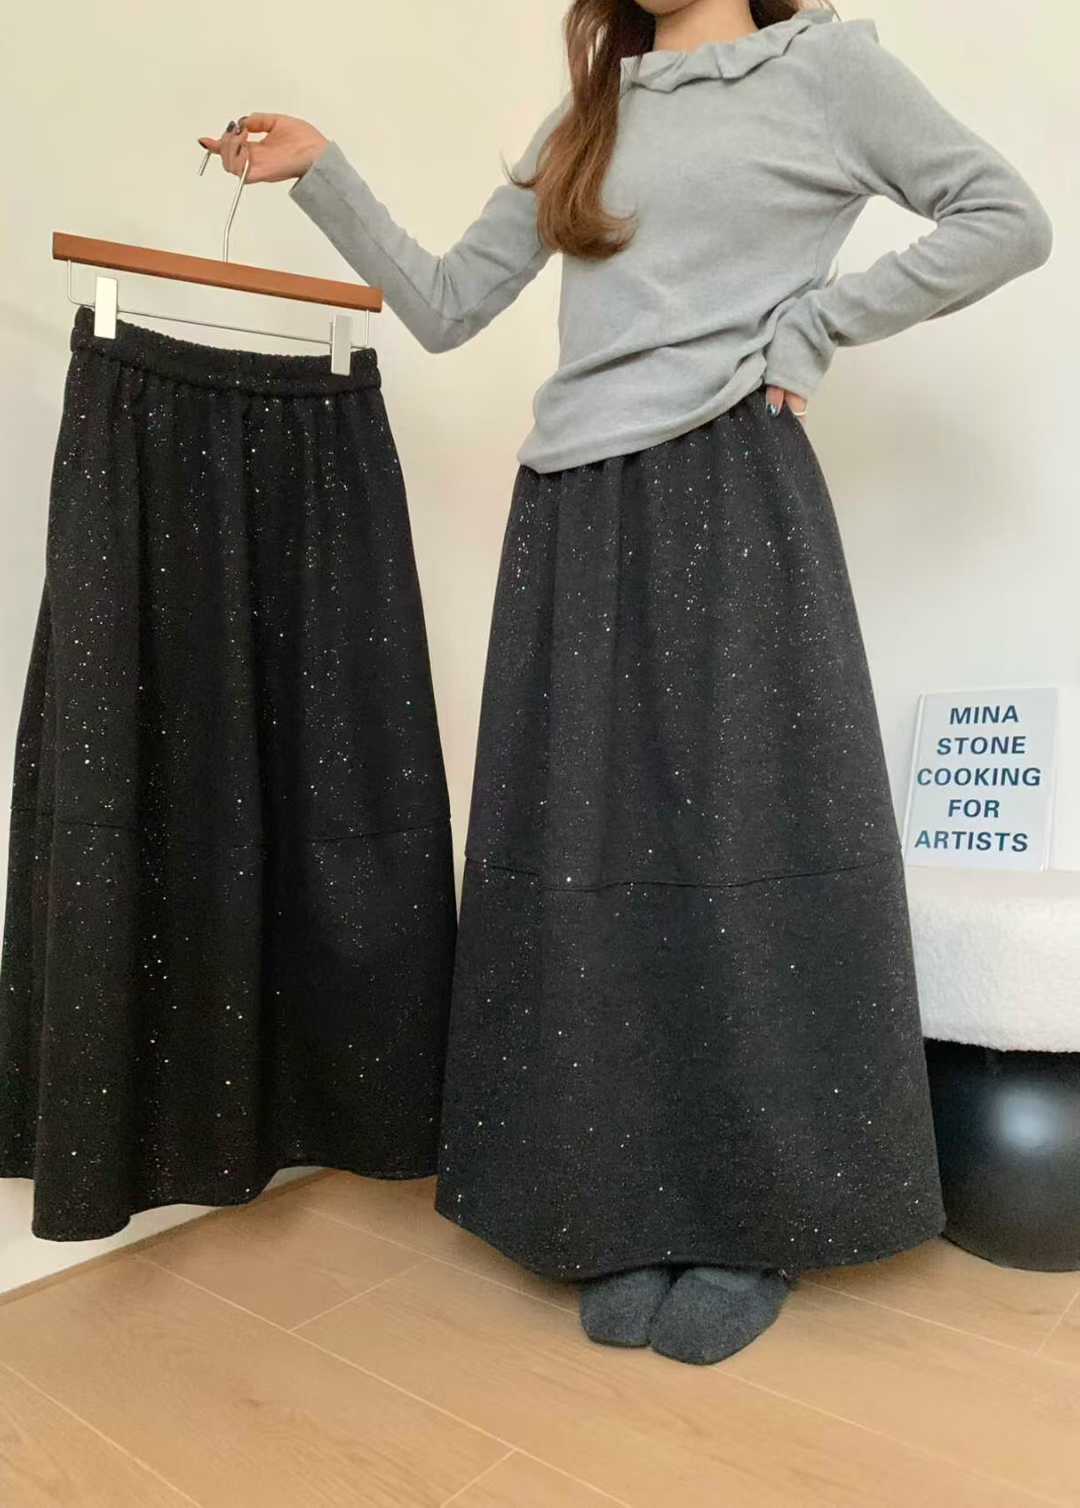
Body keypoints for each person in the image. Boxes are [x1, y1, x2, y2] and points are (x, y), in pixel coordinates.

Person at [199, 0, 1052, 1366]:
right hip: (572, 509)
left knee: (742, 845)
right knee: (587, 854)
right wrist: (323, 170)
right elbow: (448, 306)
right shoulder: (591, 112)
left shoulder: (826, 70)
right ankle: (621, 1198)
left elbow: (1005, 217)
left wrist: (815, 327)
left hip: (730, 482)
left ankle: (748, 1218)